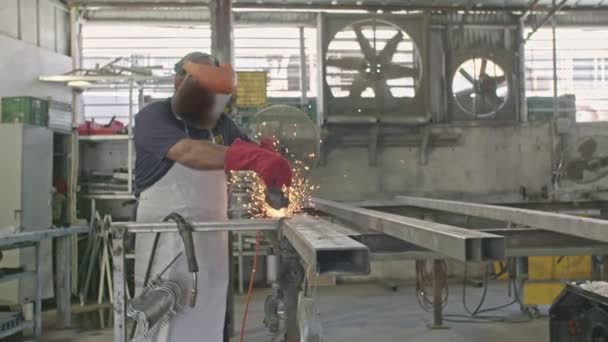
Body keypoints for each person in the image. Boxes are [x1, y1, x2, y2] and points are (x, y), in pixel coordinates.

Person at [133, 52, 292, 342]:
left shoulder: (220, 125)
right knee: (165, 317)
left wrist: (265, 155)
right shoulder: (154, 116)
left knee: (208, 315)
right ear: (179, 82)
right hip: (167, 236)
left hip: (213, 236)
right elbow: (188, 152)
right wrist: (249, 156)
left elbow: (247, 151)